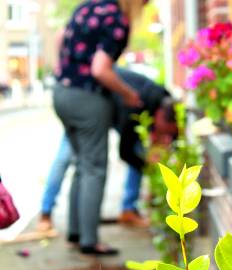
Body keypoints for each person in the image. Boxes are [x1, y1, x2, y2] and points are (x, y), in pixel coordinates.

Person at [53, 0, 146, 256]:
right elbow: (100, 69)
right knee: (94, 167)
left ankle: (76, 231)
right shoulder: (117, 18)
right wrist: (129, 94)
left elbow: (60, 36)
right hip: (88, 97)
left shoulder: (86, 7)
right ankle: (89, 239)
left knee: (81, 163)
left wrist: (60, 70)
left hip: (62, 92)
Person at [37, 67, 177, 230]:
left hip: (104, 107)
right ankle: (45, 212)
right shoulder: (137, 103)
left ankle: (129, 209)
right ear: (160, 116)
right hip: (88, 107)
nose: (164, 138)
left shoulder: (163, 101)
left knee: (137, 153)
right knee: (68, 157)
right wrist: (147, 166)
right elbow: (124, 152)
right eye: (164, 133)